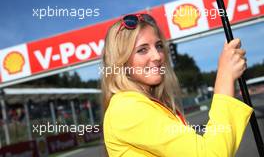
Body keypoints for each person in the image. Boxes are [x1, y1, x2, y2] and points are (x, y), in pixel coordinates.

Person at [102, 13, 253, 157]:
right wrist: (225, 77)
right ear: (121, 62)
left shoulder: (141, 104)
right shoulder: (127, 108)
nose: (157, 56)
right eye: (142, 50)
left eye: (159, 46)